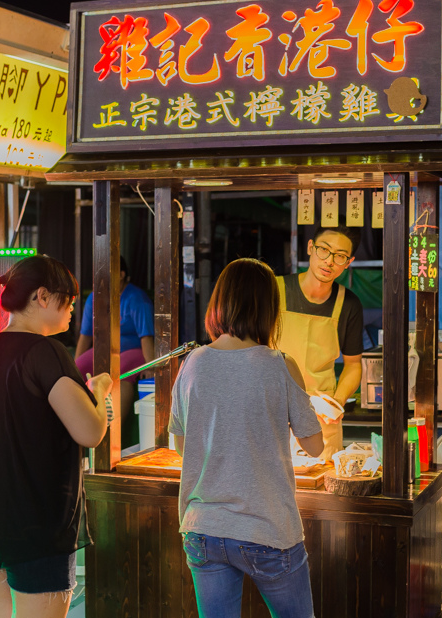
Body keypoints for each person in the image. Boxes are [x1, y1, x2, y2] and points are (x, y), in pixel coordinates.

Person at [0, 255, 114, 618]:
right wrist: (99, 391)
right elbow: (90, 431)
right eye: (68, 300)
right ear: (42, 296)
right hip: (37, 523)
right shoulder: (44, 352)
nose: (72, 310)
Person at [168, 258, 324, 618]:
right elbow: (314, 447)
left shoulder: (192, 362)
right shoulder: (279, 364)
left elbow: (181, 445)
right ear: (269, 308)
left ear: (219, 302)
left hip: (203, 530)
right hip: (267, 528)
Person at [276, 223, 364, 458]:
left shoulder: (349, 304)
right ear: (310, 248)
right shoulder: (274, 290)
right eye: (324, 250)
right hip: (272, 410)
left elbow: (353, 365)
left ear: (349, 262)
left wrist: (337, 402)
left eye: (340, 256)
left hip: (320, 417)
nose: (329, 261)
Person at [75, 256, 154, 422]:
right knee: (77, 370)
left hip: (133, 349)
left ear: (122, 275)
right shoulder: (94, 298)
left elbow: (146, 336)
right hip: (104, 349)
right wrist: (73, 368)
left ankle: (113, 430)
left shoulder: (136, 298)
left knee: (119, 374)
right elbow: (85, 336)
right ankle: (80, 423)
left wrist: (151, 366)